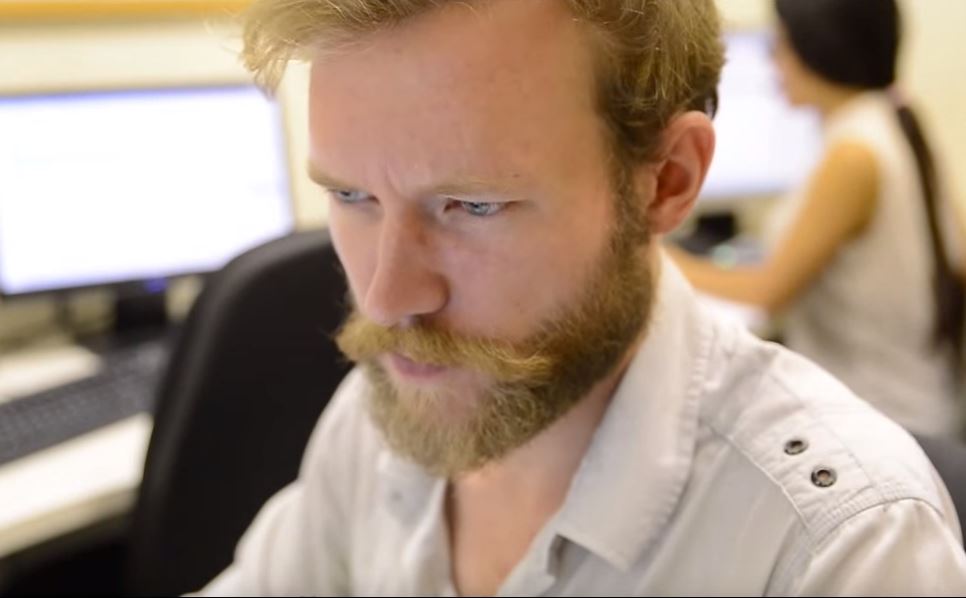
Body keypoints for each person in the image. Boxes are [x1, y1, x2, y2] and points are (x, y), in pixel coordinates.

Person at [198, 0, 966, 594]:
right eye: (350, 195)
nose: (385, 298)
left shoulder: (837, 548)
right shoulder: (380, 419)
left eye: (474, 205)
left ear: (667, 182)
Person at [670, 0, 966, 439]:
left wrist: (656, 259)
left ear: (818, 50)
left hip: (883, 416)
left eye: (779, 46)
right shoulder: (892, 117)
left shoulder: (854, 155)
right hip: (924, 400)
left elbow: (766, 293)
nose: (773, 63)